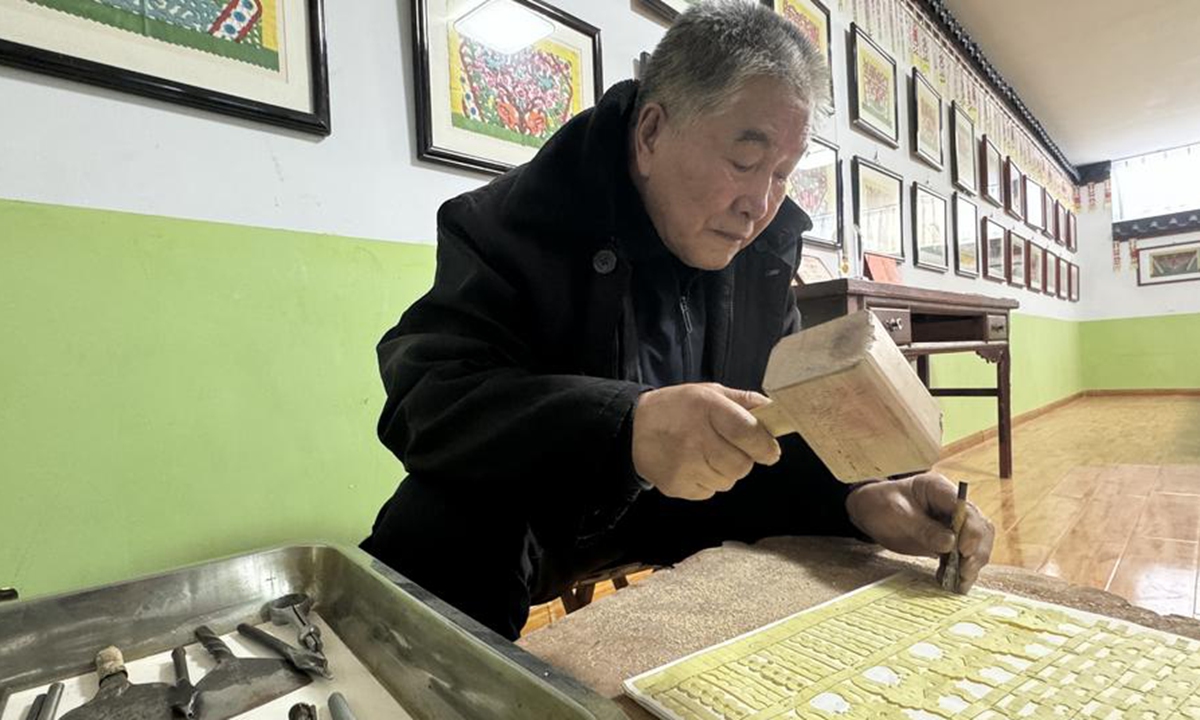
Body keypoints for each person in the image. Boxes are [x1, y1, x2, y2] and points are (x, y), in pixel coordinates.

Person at [361, 1, 994, 641]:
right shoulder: (511, 222)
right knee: (437, 519)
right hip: (546, 510)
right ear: (651, 133)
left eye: (782, 173)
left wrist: (863, 499)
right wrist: (627, 428)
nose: (759, 205)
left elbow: (775, 427)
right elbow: (425, 400)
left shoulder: (767, 251)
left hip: (698, 507)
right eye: (744, 163)